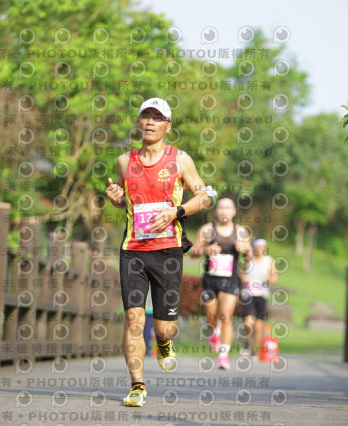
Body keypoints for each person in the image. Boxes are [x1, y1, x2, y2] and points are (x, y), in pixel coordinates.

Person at [105, 97, 216, 407]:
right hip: (133, 250)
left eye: (158, 117)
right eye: (146, 116)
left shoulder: (180, 160)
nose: (151, 122)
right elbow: (124, 201)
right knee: (133, 319)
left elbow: (205, 197)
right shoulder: (125, 161)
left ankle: (165, 343)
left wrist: (176, 212)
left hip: (168, 251)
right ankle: (137, 386)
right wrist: (115, 198)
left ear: (168, 125)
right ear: (139, 122)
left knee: (164, 327)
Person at [190, 195, 252, 370]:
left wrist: (245, 249)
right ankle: (213, 331)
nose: (224, 210)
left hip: (231, 279)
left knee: (226, 316)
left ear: (234, 212)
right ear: (216, 211)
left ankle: (223, 355)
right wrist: (205, 251)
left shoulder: (241, 231)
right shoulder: (207, 230)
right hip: (210, 279)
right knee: (211, 316)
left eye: (228, 208)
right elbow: (193, 252)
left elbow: (249, 256)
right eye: (221, 207)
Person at [239, 238, 278, 360]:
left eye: (262, 247)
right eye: (257, 247)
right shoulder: (248, 260)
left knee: (259, 324)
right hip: (248, 293)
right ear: (254, 248)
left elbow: (275, 279)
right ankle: (246, 344)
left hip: (262, 294)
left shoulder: (269, 261)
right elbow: (241, 274)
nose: (259, 250)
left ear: (265, 248)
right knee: (248, 322)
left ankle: (255, 350)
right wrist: (244, 278)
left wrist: (268, 279)